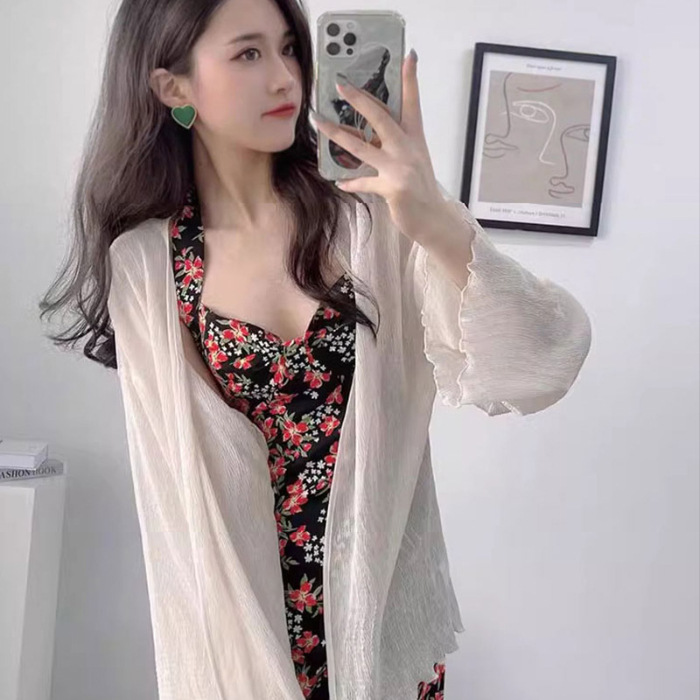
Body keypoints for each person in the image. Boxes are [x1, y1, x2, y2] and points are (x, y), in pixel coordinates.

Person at [39, 0, 592, 698]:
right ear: (172, 86)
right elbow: (176, 514)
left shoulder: (370, 220)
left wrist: (435, 220)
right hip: (247, 647)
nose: (285, 78)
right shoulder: (148, 266)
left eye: (290, 49)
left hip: (379, 640)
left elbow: (542, 361)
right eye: (248, 53)